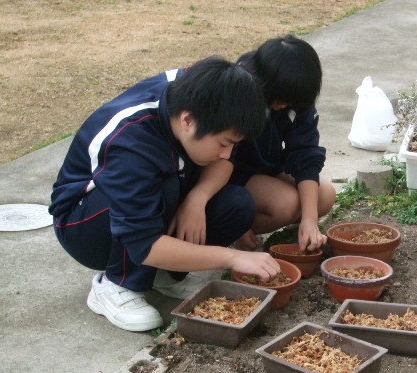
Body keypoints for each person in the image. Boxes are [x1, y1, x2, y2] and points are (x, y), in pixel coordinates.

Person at [49, 56, 281, 332]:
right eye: (223, 143)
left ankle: (164, 273)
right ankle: (115, 285)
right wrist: (232, 257)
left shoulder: (207, 96)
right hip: (84, 223)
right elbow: (142, 242)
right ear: (188, 121)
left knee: (237, 204)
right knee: (163, 186)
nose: (227, 154)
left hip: (157, 191)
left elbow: (224, 163)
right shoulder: (129, 141)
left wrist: (196, 200)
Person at [229, 35, 337, 252]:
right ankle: (229, 231)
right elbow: (217, 158)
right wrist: (235, 227)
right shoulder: (237, 89)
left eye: (290, 102)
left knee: (324, 196)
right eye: (281, 100)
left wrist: (310, 220)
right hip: (229, 175)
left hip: (266, 168)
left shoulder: (295, 92)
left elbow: (305, 153)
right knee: (286, 204)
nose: (284, 106)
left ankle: (297, 234)